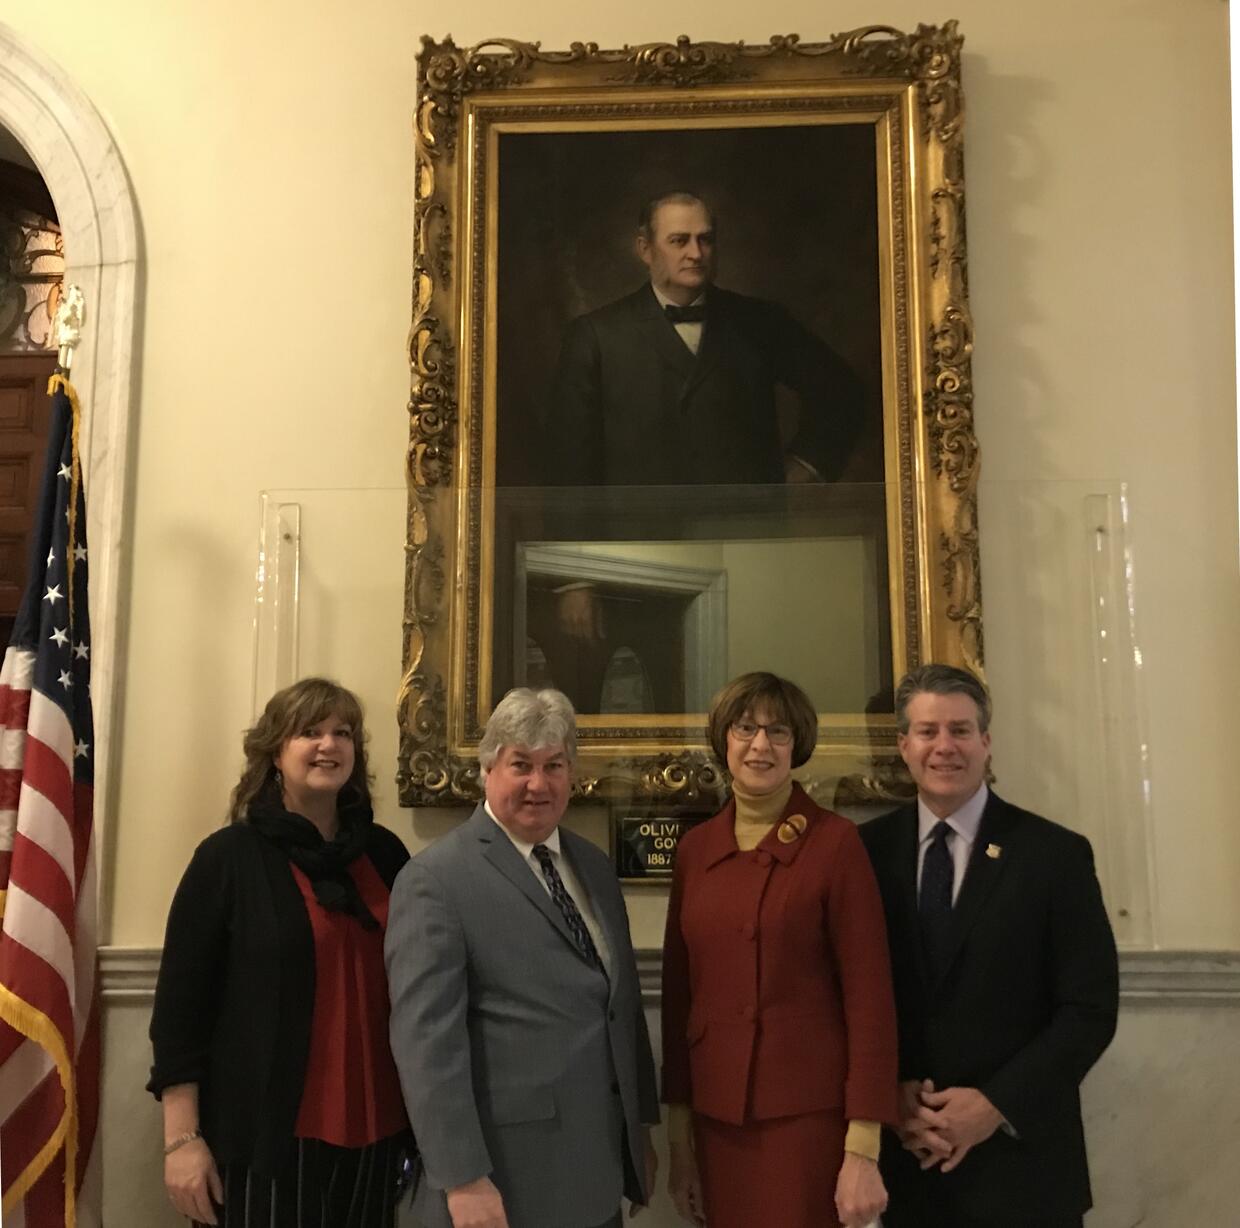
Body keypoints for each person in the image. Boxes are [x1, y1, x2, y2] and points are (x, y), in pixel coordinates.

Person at [385, 687, 658, 1228]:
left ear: (572, 773)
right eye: (521, 765)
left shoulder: (595, 868)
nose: (539, 783)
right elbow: (425, 1047)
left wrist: (638, 1136)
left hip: (597, 1176)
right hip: (502, 1186)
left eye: (554, 765)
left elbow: (618, 1011)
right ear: (488, 769)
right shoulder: (435, 880)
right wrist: (462, 1177)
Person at [859, 664, 1120, 1228]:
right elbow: (848, 997)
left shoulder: (1054, 855)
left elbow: (1089, 1011)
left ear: (986, 742)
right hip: (906, 1170)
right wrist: (890, 1093)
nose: (944, 746)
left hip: (1023, 1174)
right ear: (904, 745)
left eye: (960, 730)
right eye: (928, 731)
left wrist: (994, 1106)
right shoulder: (863, 854)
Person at [147, 678, 411, 1227]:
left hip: (379, 1133)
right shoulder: (229, 858)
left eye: (343, 733)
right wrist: (182, 1140)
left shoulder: (386, 855)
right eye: (309, 731)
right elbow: (180, 1010)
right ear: (273, 752)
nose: (329, 744)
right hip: (263, 1141)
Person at [661, 671, 898, 1228]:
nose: (760, 745)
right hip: (717, 1124)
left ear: (799, 746)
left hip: (809, 1123)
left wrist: (863, 1149)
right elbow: (678, 999)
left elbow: (871, 1002)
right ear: (725, 739)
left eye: (778, 732)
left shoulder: (836, 844)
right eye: (746, 728)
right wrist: (680, 1143)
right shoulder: (696, 851)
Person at [546, 190, 864, 488]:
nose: (696, 253)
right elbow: (569, 466)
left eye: (706, 240)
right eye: (679, 241)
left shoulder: (762, 322)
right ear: (645, 248)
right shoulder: (594, 335)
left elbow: (841, 392)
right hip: (638, 537)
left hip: (747, 533)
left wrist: (804, 468)